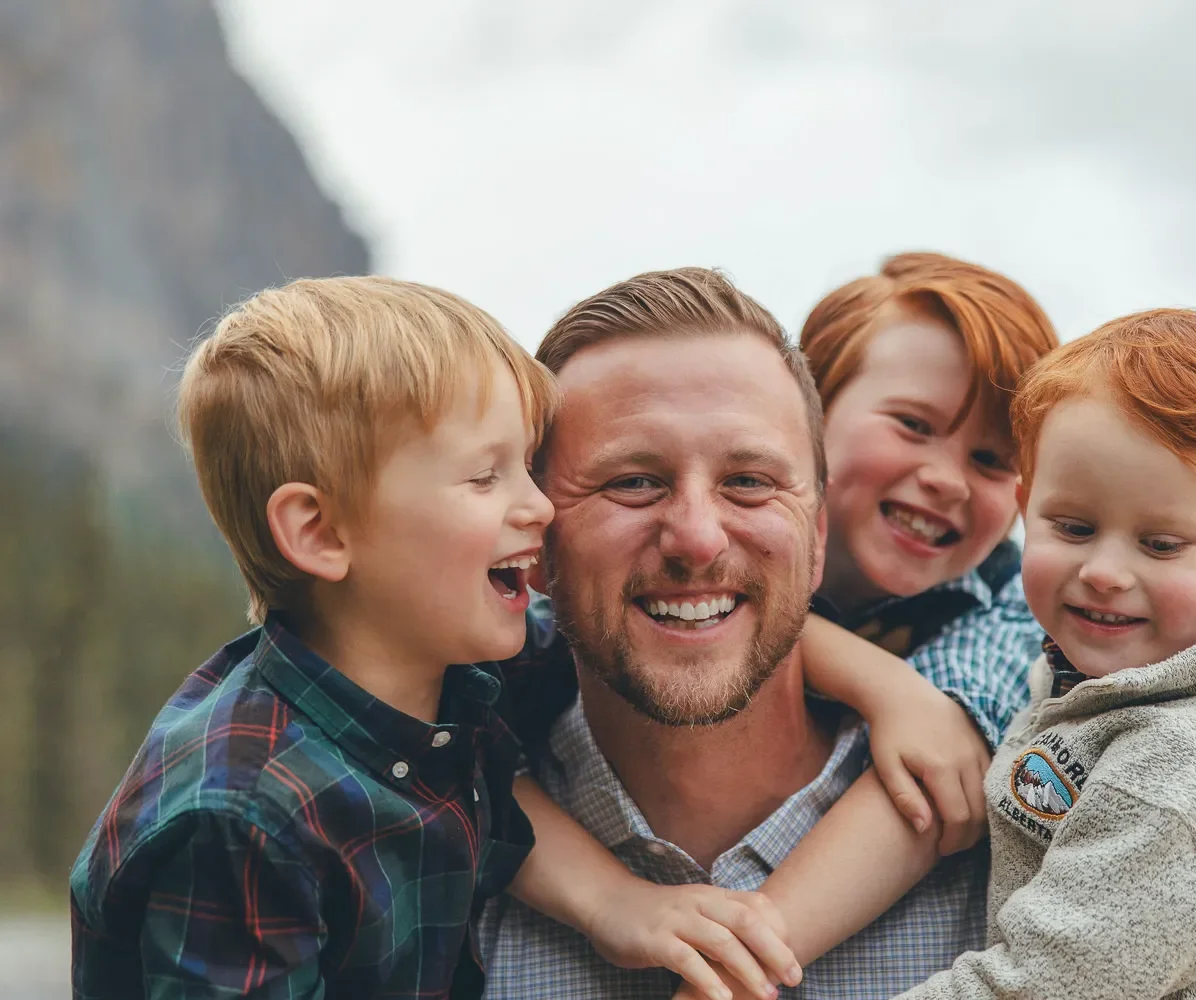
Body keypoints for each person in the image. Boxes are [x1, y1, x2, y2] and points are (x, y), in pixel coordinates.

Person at [69, 277, 798, 999]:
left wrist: (889, 691)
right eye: (486, 476)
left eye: (528, 467)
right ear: (320, 532)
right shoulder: (244, 818)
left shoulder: (445, 675)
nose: (541, 507)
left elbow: (700, 623)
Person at [484, 261, 1055, 999]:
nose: (697, 538)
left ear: (813, 530)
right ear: (534, 541)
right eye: (633, 480)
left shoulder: (1024, 845)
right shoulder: (432, 845)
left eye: (749, 481)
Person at [896, 309, 1196, 998]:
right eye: (1073, 527)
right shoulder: (1093, 686)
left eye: (1160, 545)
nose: (1104, 571)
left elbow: (1042, 988)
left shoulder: (1195, 767)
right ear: (1026, 507)